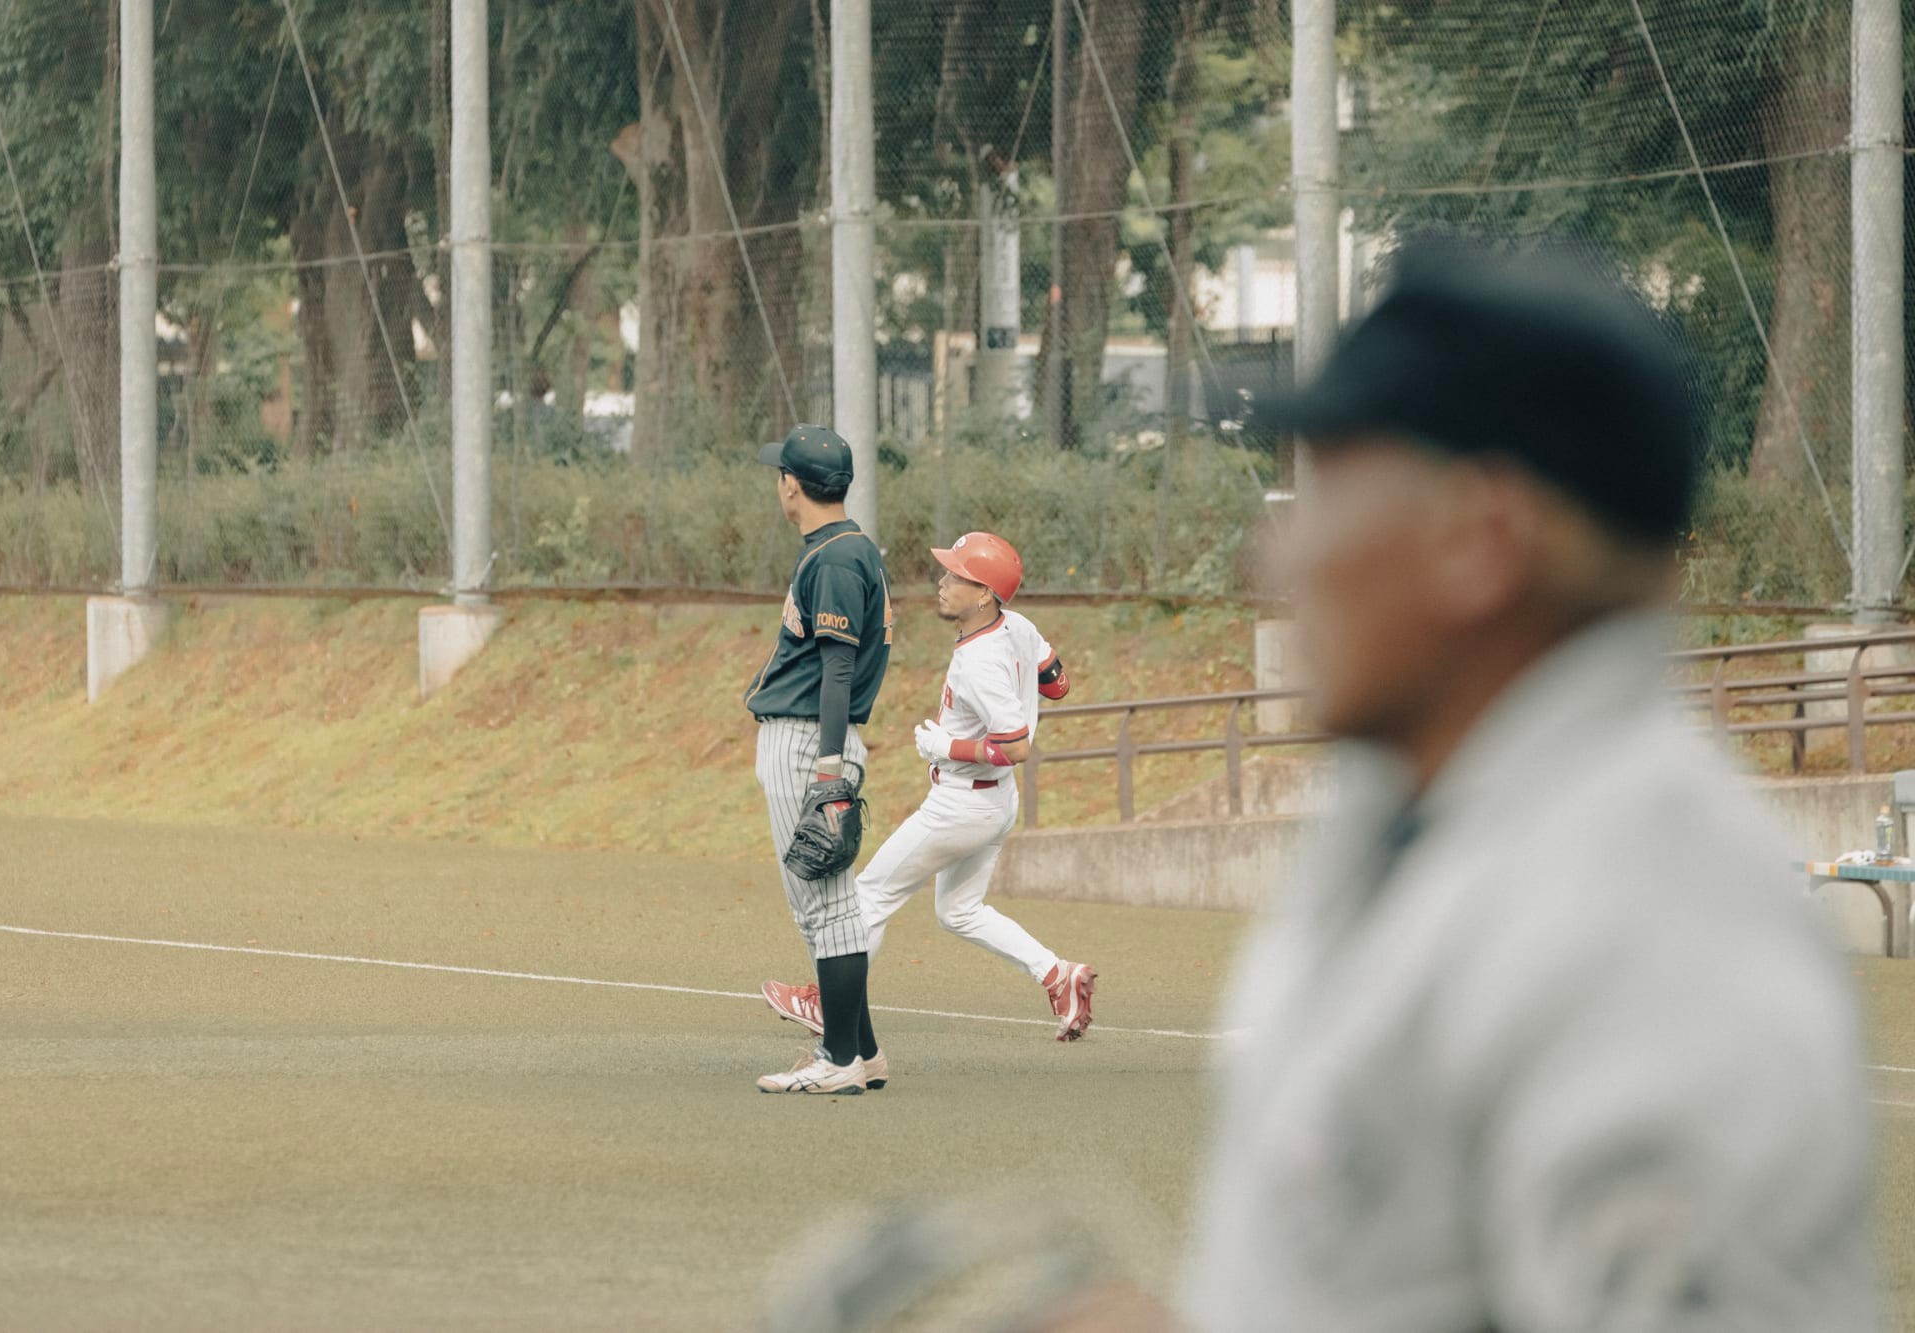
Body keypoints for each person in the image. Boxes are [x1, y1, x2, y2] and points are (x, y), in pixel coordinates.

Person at [1178, 239, 1878, 1329]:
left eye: (1325, 498)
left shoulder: (1646, 922)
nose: (1277, 560)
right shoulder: (1423, 807)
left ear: (1480, 540)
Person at [760, 532, 1097, 1066]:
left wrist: (949, 744)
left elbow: (1016, 745)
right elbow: (1057, 683)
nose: (942, 582)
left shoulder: (980, 658)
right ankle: (1058, 975)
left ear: (985, 593)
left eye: (956, 575)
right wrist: (1026, 683)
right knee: (959, 911)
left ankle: (827, 1004)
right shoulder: (1018, 626)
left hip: (963, 803)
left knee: (868, 896)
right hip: (992, 802)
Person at [745, 425, 894, 1096]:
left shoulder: (836, 557)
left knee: (826, 905)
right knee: (821, 903)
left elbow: (837, 671)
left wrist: (829, 769)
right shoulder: (839, 548)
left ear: (792, 486)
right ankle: (862, 1050)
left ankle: (838, 1059)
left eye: (782, 473)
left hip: (812, 739)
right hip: (810, 737)